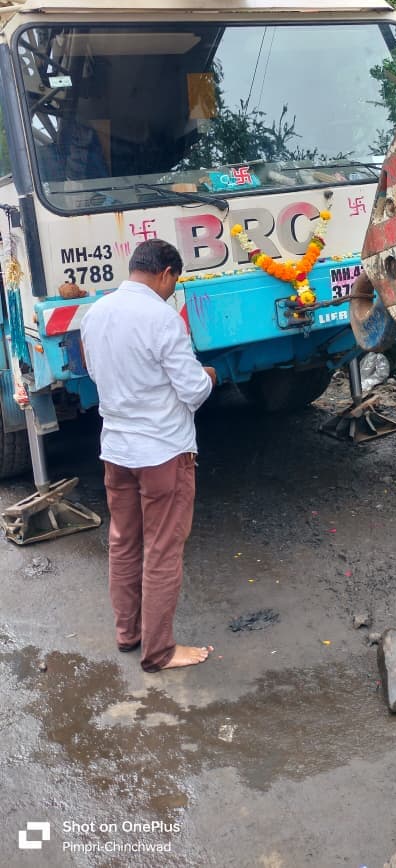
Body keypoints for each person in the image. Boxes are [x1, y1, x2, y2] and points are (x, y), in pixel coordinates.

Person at [80, 238, 216, 672]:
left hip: (116, 450)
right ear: (166, 274)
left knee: (123, 543)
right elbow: (192, 389)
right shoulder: (162, 318)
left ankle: (129, 634)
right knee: (161, 550)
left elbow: (97, 373)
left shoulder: (93, 314)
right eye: (172, 283)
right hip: (163, 452)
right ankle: (159, 652)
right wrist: (209, 375)